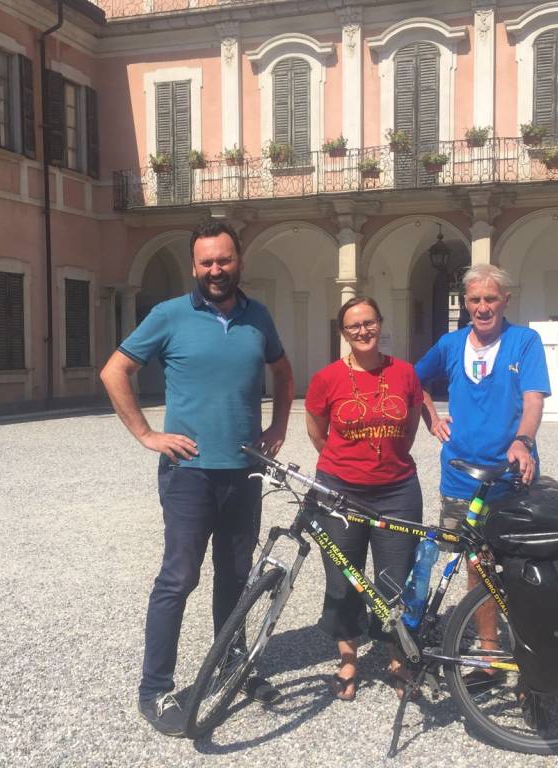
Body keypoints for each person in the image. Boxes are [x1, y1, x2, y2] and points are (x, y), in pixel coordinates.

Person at [99, 219, 294, 736]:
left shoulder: (259, 317)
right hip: (189, 474)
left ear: (239, 261)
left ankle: (231, 664)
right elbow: (114, 371)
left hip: (245, 471)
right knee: (178, 579)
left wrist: (277, 424)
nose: (215, 269)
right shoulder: (169, 315)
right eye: (206, 261)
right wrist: (147, 434)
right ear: (193, 265)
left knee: (235, 577)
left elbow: (283, 370)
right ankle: (154, 689)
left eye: (223, 260)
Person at [414, 263, 550, 687]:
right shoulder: (450, 344)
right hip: (459, 476)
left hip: (510, 477)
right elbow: (412, 380)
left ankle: (534, 651)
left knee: (521, 566)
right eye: (475, 299)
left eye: (490, 298)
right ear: (465, 303)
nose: (483, 307)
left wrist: (522, 442)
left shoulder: (523, 342)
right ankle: (490, 654)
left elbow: (533, 401)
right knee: (476, 566)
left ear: (505, 300)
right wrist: (431, 419)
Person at [304, 297, 424, 701]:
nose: (362, 331)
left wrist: (384, 459)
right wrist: (346, 465)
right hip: (340, 491)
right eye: (353, 326)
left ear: (380, 324)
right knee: (343, 578)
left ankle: (395, 654)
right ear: (343, 332)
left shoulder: (404, 373)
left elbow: (408, 429)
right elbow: (317, 432)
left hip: (397, 490)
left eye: (369, 322)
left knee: (395, 577)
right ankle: (349, 656)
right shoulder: (326, 379)